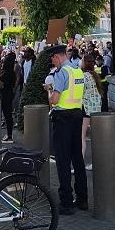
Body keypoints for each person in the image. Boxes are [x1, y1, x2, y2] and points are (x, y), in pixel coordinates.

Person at [45, 44, 87, 216]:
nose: (53, 62)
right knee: (77, 159)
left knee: (63, 161)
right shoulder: (77, 71)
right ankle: (82, 199)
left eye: (52, 59)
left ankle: (66, 202)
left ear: (57, 56)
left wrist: (49, 90)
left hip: (62, 119)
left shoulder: (62, 72)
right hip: (77, 115)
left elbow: (54, 100)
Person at [81, 54, 104, 170]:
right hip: (96, 108)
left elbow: (80, 92)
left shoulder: (83, 76)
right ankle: (98, 162)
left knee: (81, 136)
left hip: (86, 109)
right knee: (96, 137)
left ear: (85, 63)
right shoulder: (95, 75)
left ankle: (79, 164)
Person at [0, 51, 18, 143]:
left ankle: (9, 136)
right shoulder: (12, 73)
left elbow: (0, 85)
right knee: (8, 115)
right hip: (9, 94)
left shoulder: (6, 73)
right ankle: (9, 134)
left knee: (7, 115)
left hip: (5, 95)